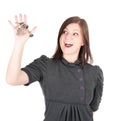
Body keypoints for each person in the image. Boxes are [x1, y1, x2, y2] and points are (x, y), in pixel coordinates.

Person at [6, 14, 104, 121]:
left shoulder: (95, 73)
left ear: (83, 41)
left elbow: (92, 110)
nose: (68, 37)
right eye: (65, 32)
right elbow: (13, 79)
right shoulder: (45, 65)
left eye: (75, 34)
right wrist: (19, 42)